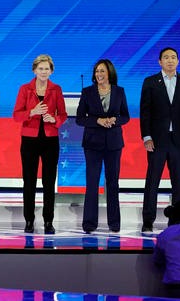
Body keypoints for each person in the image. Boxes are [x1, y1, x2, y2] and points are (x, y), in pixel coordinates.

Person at [140, 47, 180, 232]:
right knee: (152, 181)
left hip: (179, 140)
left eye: (173, 57)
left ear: (178, 61)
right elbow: (145, 112)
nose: (170, 60)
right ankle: (148, 220)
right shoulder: (150, 82)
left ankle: (178, 221)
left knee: (178, 182)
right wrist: (147, 136)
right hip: (157, 140)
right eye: (166, 58)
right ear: (160, 62)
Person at [13, 54, 67, 234]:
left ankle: (48, 221)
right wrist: (32, 111)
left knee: (49, 182)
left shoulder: (56, 89)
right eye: (40, 68)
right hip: (29, 139)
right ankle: (29, 220)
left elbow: (64, 114)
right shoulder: (25, 89)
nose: (44, 72)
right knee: (29, 181)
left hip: (50, 139)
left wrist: (55, 119)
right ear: (34, 70)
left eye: (47, 69)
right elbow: (16, 115)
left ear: (51, 71)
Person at [76, 58, 130, 234]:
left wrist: (115, 120)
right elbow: (80, 118)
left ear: (110, 73)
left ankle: (114, 223)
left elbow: (125, 116)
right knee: (92, 183)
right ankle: (89, 224)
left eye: (102, 71)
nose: (99, 74)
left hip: (114, 143)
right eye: (97, 71)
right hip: (92, 143)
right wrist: (97, 120)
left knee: (113, 182)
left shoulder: (119, 91)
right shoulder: (87, 92)